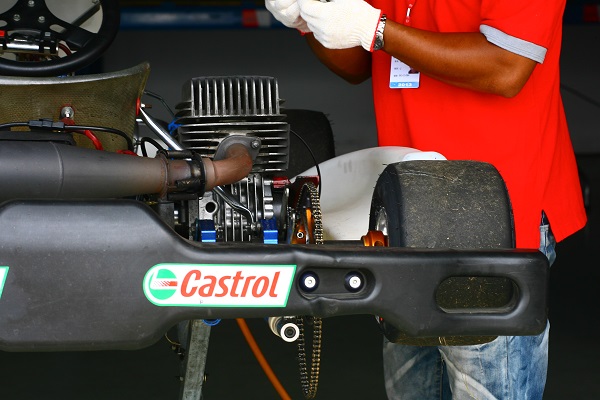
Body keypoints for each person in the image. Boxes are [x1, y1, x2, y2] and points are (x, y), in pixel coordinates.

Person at [265, 0, 587, 399]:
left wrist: (378, 30)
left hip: (494, 213)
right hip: (407, 210)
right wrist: (309, 19)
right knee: (412, 390)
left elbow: (507, 66)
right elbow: (358, 62)